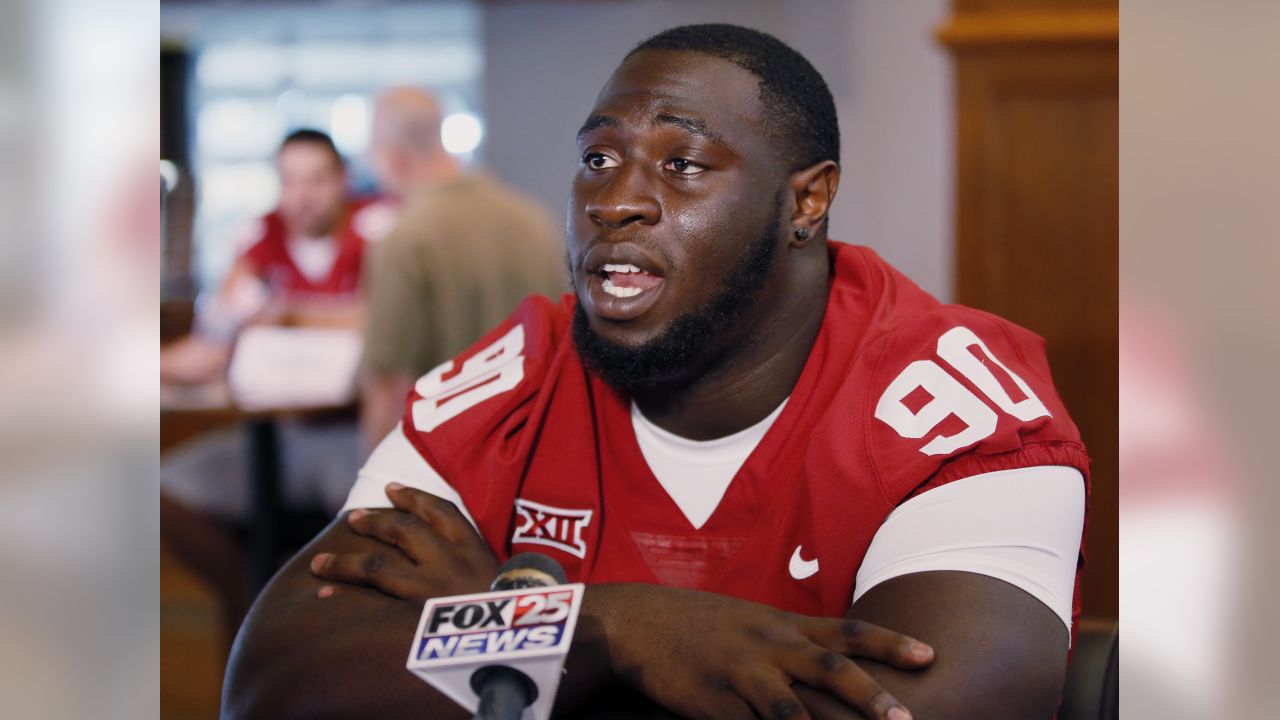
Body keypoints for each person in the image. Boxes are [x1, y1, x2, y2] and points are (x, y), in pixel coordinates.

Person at [225, 25, 1089, 720]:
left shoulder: (954, 403)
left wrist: (487, 628)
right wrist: (608, 630)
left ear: (806, 201)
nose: (614, 201)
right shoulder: (517, 377)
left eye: (682, 164)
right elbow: (275, 683)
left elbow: (927, 707)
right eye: (598, 159)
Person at [161, 129, 389, 649]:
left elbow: (379, 321)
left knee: (365, 524)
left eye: (316, 180)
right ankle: (252, 610)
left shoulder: (377, 230)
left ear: (342, 181)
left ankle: (321, 640)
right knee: (162, 491)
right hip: (281, 432)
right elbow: (217, 333)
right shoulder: (260, 240)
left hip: (353, 433)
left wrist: (290, 315)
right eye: (289, 181)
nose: (302, 196)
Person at [358, 87, 565, 453]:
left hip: (444, 469)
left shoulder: (403, 240)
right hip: (533, 458)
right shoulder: (534, 221)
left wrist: (370, 497)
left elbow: (389, 384)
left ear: (393, 157)